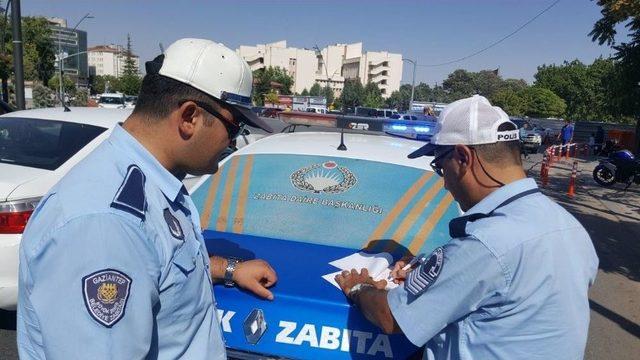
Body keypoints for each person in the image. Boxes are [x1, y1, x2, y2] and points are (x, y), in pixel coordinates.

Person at [17, 38, 278, 359]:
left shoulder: (152, 183)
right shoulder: (105, 224)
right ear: (189, 117)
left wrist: (228, 269)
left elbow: (158, 265)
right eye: (234, 126)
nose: (233, 140)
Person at [335, 95, 598, 359]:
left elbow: (390, 317)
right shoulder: (570, 227)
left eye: (440, 166)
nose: (445, 183)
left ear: (462, 157)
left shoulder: (487, 243)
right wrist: (428, 270)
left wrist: (359, 288)